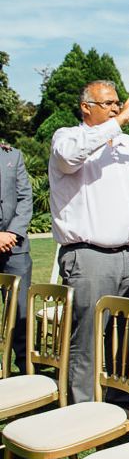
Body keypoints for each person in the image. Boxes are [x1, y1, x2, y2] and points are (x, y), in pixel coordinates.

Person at [49, 80, 129, 404]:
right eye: (107, 103)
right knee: (88, 338)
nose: (114, 108)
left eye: (116, 103)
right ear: (86, 107)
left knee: (127, 337)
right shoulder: (67, 137)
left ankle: (122, 404)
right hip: (88, 255)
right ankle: (83, 410)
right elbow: (69, 158)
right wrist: (116, 124)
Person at [0, 141, 32, 374]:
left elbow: (25, 197)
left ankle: (25, 368)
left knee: (20, 311)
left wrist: (11, 232)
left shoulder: (13, 155)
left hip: (15, 247)